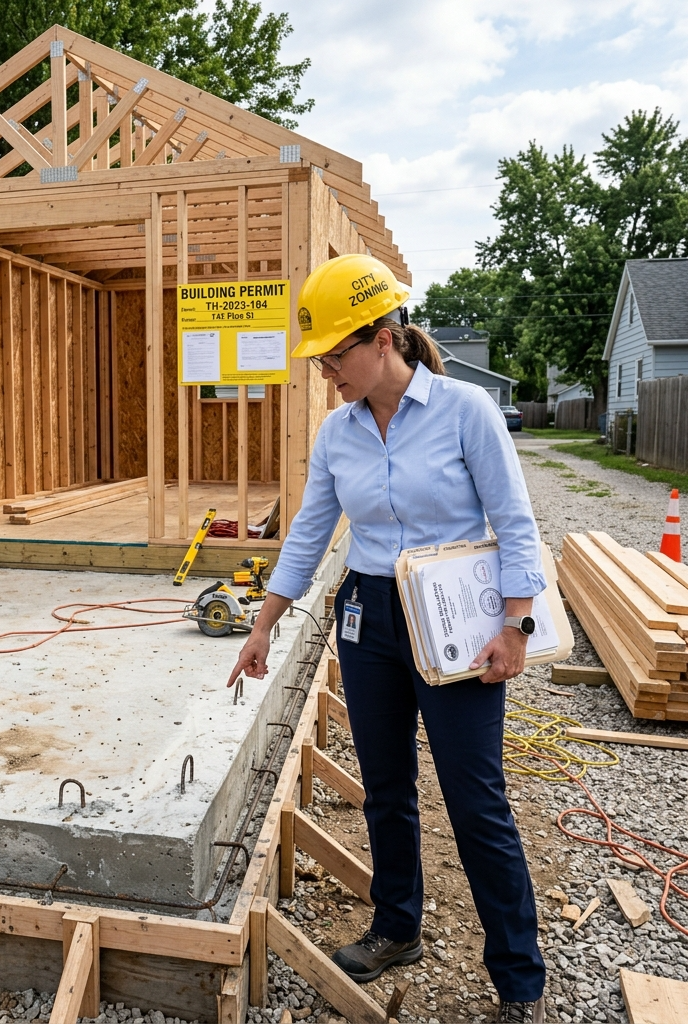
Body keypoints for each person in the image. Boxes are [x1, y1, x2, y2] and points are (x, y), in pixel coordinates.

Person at [226, 254, 546, 1024]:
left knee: (476, 803)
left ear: (385, 337)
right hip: (370, 618)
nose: (327, 372)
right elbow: (309, 533)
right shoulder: (338, 433)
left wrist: (515, 623)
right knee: (388, 791)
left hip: (458, 617)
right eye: (324, 359)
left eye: (337, 355)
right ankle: (398, 927)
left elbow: (514, 522)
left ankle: (518, 978)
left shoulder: (466, 411)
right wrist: (263, 625)